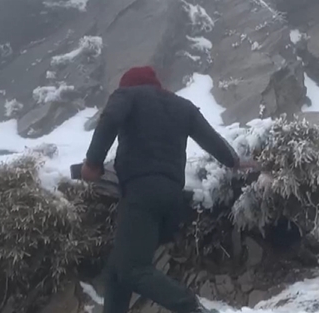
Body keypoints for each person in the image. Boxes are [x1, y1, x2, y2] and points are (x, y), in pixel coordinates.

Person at [81, 66, 256, 313]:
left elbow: (110, 118)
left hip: (142, 192)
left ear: (128, 85)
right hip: (172, 198)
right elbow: (209, 137)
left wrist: (92, 163)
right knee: (118, 270)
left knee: (132, 269)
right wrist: (234, 162)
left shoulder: (127, 95)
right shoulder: (182, 106)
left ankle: (190, 307)